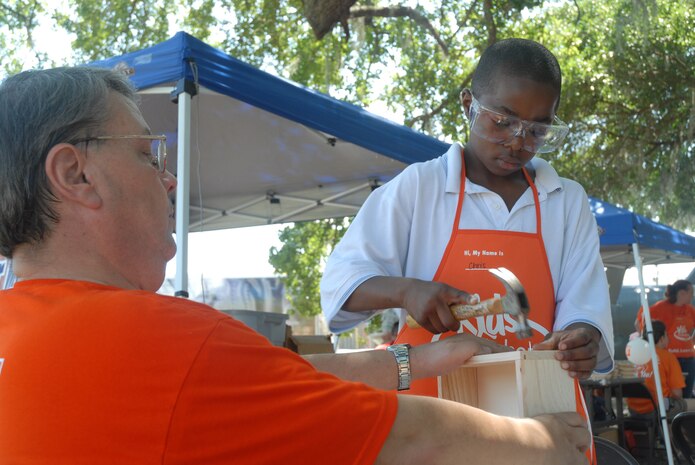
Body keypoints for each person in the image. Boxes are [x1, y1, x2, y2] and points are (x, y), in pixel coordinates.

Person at [0, 67, 591, 464]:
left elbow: (276, 387)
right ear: (75, 173)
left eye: (535, 129)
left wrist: (423, 358)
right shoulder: (153, 336)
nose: (170, 177)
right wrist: (541, 440)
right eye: (148, 153)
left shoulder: (24, 323)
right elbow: (408, 434)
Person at [321, 38, 614, 396]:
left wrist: (583, 337)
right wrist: (407, 290)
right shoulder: (420, 187)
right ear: (468, 106)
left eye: (537, 130)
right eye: (502, 122)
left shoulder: (565, 200)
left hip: (534, 406)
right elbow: (340, 284)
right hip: (430, 414)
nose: (517, 143)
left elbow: (584, 305)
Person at [635, 280, 695, 398]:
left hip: (688, 358)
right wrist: (651, 343)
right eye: (691, 292)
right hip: (668, 359)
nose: (692, 295)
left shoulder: (690, 309)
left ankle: (684, 416)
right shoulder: (660, 308)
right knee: (671, 394)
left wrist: (691, 341)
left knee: (687, 394)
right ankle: (671, 415)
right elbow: (639, 322)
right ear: (682, 293)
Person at [627, 320, 687, 418]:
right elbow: (677, 394)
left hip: (633, 410)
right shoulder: (668, 357)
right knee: (686, 405)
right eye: (667, 335)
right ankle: (672, 433)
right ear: (662, 338)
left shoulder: (635, 355)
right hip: (658, 410)